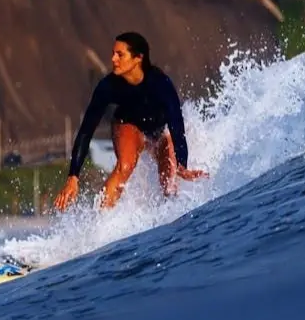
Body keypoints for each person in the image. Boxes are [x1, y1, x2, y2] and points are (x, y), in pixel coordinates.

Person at [54, 32, 208, 211]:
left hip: (159, 132)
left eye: (120, 54)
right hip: (127, 124)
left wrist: (183, 164)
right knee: (125, 165)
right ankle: (99, 224)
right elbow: (86, 130)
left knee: (169, 181)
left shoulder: (160, 83)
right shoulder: (108, 86)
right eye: (113, 53)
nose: (113, 59)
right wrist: (73, 176)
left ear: (138, 58)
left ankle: (170, 219)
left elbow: (176, 123)